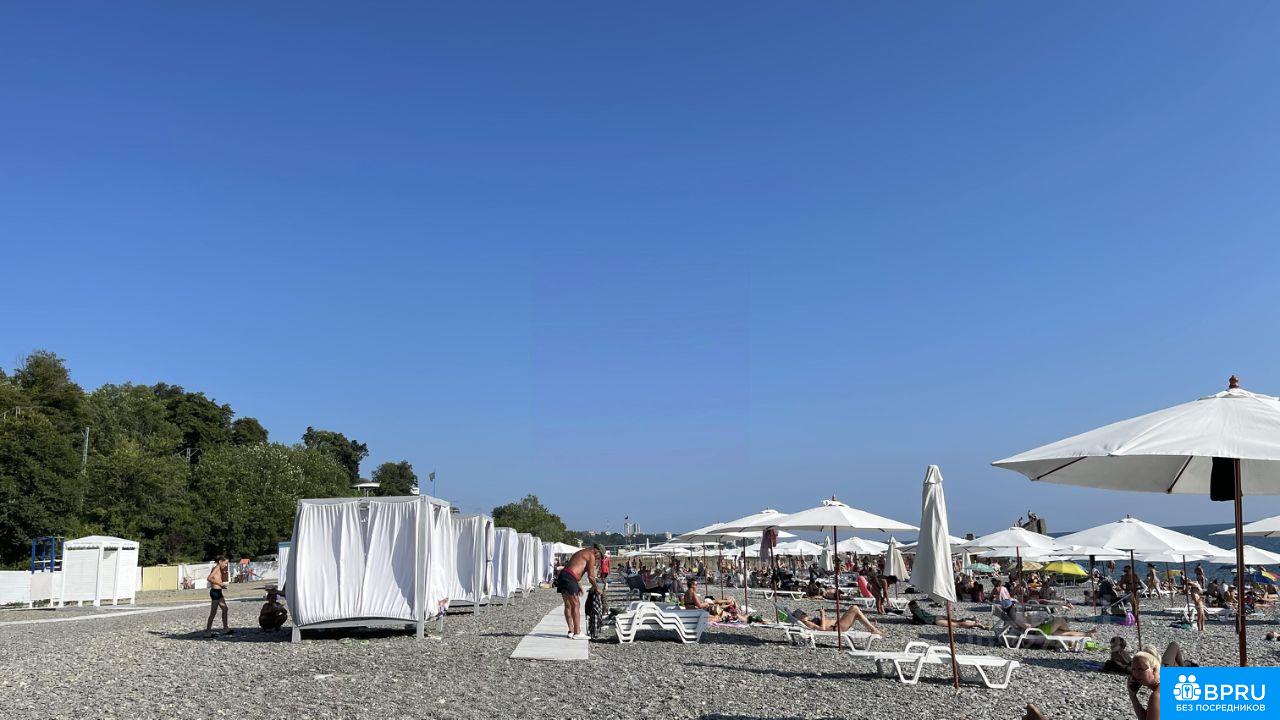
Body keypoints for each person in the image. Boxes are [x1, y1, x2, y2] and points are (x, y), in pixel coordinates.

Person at [554, 544, 602, 640]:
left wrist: (578, 584)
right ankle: (577, 632)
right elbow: (591, 576)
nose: (598, 559)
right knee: (576, 605)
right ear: (597, 551)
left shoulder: (581, 552)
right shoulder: (591, 555)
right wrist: (597, 588)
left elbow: (573, 568)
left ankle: (571, 631)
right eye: (600, 556)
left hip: (563, 575)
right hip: (570, 578)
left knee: (568, 605)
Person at [790, 605, 879, 635]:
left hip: (838, 624)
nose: (805, 615)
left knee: (856, 613)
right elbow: (822, 629)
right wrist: (822, 615)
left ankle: (871, 628)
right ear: (800, 618)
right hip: (836, 627)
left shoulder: (808, 621)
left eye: (804, 613)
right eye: (802, 615)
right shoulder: (807, 623)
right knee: (854, 608)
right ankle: (872, 629)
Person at [907, 600, 987, 629]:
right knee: (957, 620)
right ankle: (972, 619)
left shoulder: (916, 612)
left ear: (911, 607)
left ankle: (975, 624)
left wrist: (913, 620)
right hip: (937, 616)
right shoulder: (919, 609)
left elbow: (920, 620)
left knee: (957, 624)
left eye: (909, 607)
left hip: (936, 621)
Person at [205, 556, 233, 638]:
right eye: (225, 563)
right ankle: (207, 632)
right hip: (215, 592)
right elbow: (209, 578)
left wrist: (221, 586)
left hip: (219, 592)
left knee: (225, 608)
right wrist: (220, 584)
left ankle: (226, 628)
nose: (226, 565)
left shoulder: (219, 569)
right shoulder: (216, 568)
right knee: (213, 612)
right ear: (220, 561)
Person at [1127, 650, 1160, 720]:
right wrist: (1132, 696)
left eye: (1141, 669)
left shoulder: (1157, 696)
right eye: (1133, 669)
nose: (1136, 674)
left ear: (1154, 670)